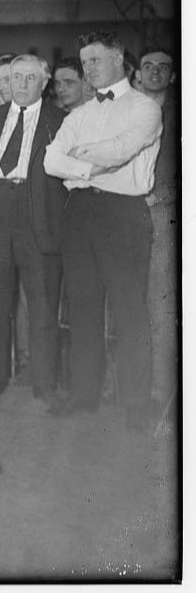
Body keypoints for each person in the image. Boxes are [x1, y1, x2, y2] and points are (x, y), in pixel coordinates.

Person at [43, 31, 162, 433]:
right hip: (79, 213)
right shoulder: (79, 115)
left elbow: (120, 151)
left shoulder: (144, 108)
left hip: (122, 213)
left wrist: (79, 157)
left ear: (118, 58)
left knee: (130, 311)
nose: (87, 68)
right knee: (83, 307)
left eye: (95, 60)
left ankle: (135, 404)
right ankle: (84, 394)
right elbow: (50, 161)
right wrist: (86, 165)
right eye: (84, 61)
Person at [0, 55, 66, 406]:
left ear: (44, 82)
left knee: (42, 305)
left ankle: (44, 383)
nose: (21, 84)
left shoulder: (60, 121)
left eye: (30, 78)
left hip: (36, 216)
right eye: (15, 77)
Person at [136, 46, 178, 407]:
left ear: (173, 76)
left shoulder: (179, 115)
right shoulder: (126, 112)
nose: (153, 72)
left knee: (159, 301)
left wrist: (161, 196)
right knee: (125, 298)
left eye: (162, 68)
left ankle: (161, 386)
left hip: (162, 214)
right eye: (147, 66)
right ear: (137, 73)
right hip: (124, 214)